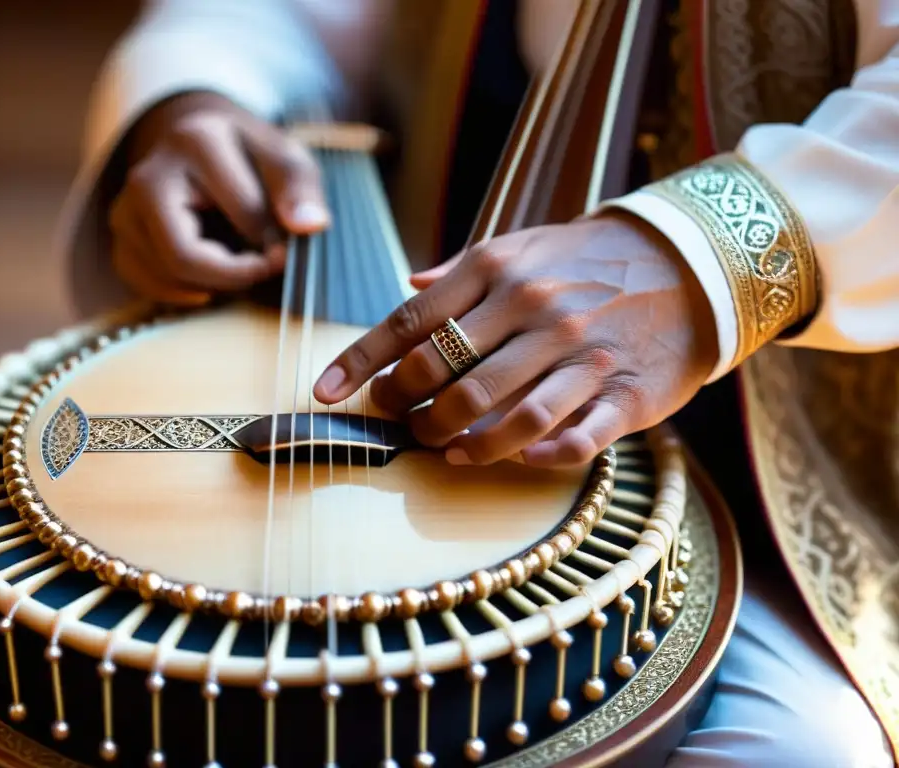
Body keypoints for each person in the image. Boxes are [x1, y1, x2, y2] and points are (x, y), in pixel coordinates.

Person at [58, 1, 899, 765]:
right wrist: (196, 95)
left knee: (799, 751)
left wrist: (697, 261)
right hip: (391, 337)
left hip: (771, 453)